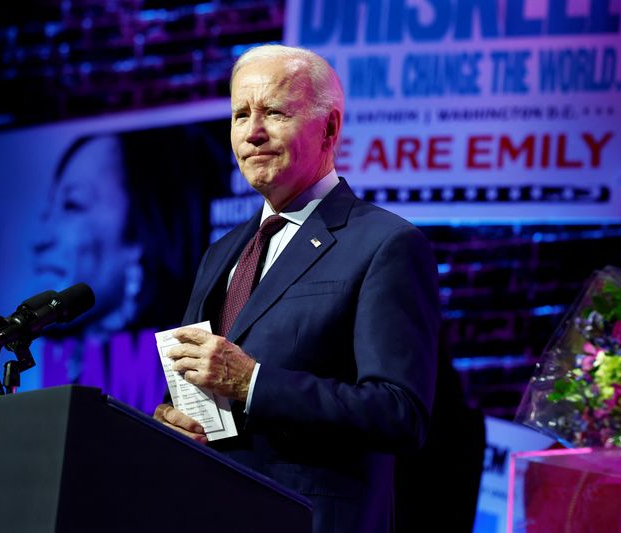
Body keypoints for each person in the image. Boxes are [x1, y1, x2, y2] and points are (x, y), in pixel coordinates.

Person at [154, 44, 440, 533]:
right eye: (240, 114)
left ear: (328, 128)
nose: (252, 132)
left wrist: (253, 383)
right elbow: (198, 384)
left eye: (273, 112)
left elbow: (399, 412)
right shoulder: (221, 251)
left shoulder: (386, 243)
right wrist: (172, 419)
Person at [32, 125, 228, 338]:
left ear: (138, 233)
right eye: (47, 211)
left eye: (72, 205)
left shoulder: (191, 347)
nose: (40, 239)